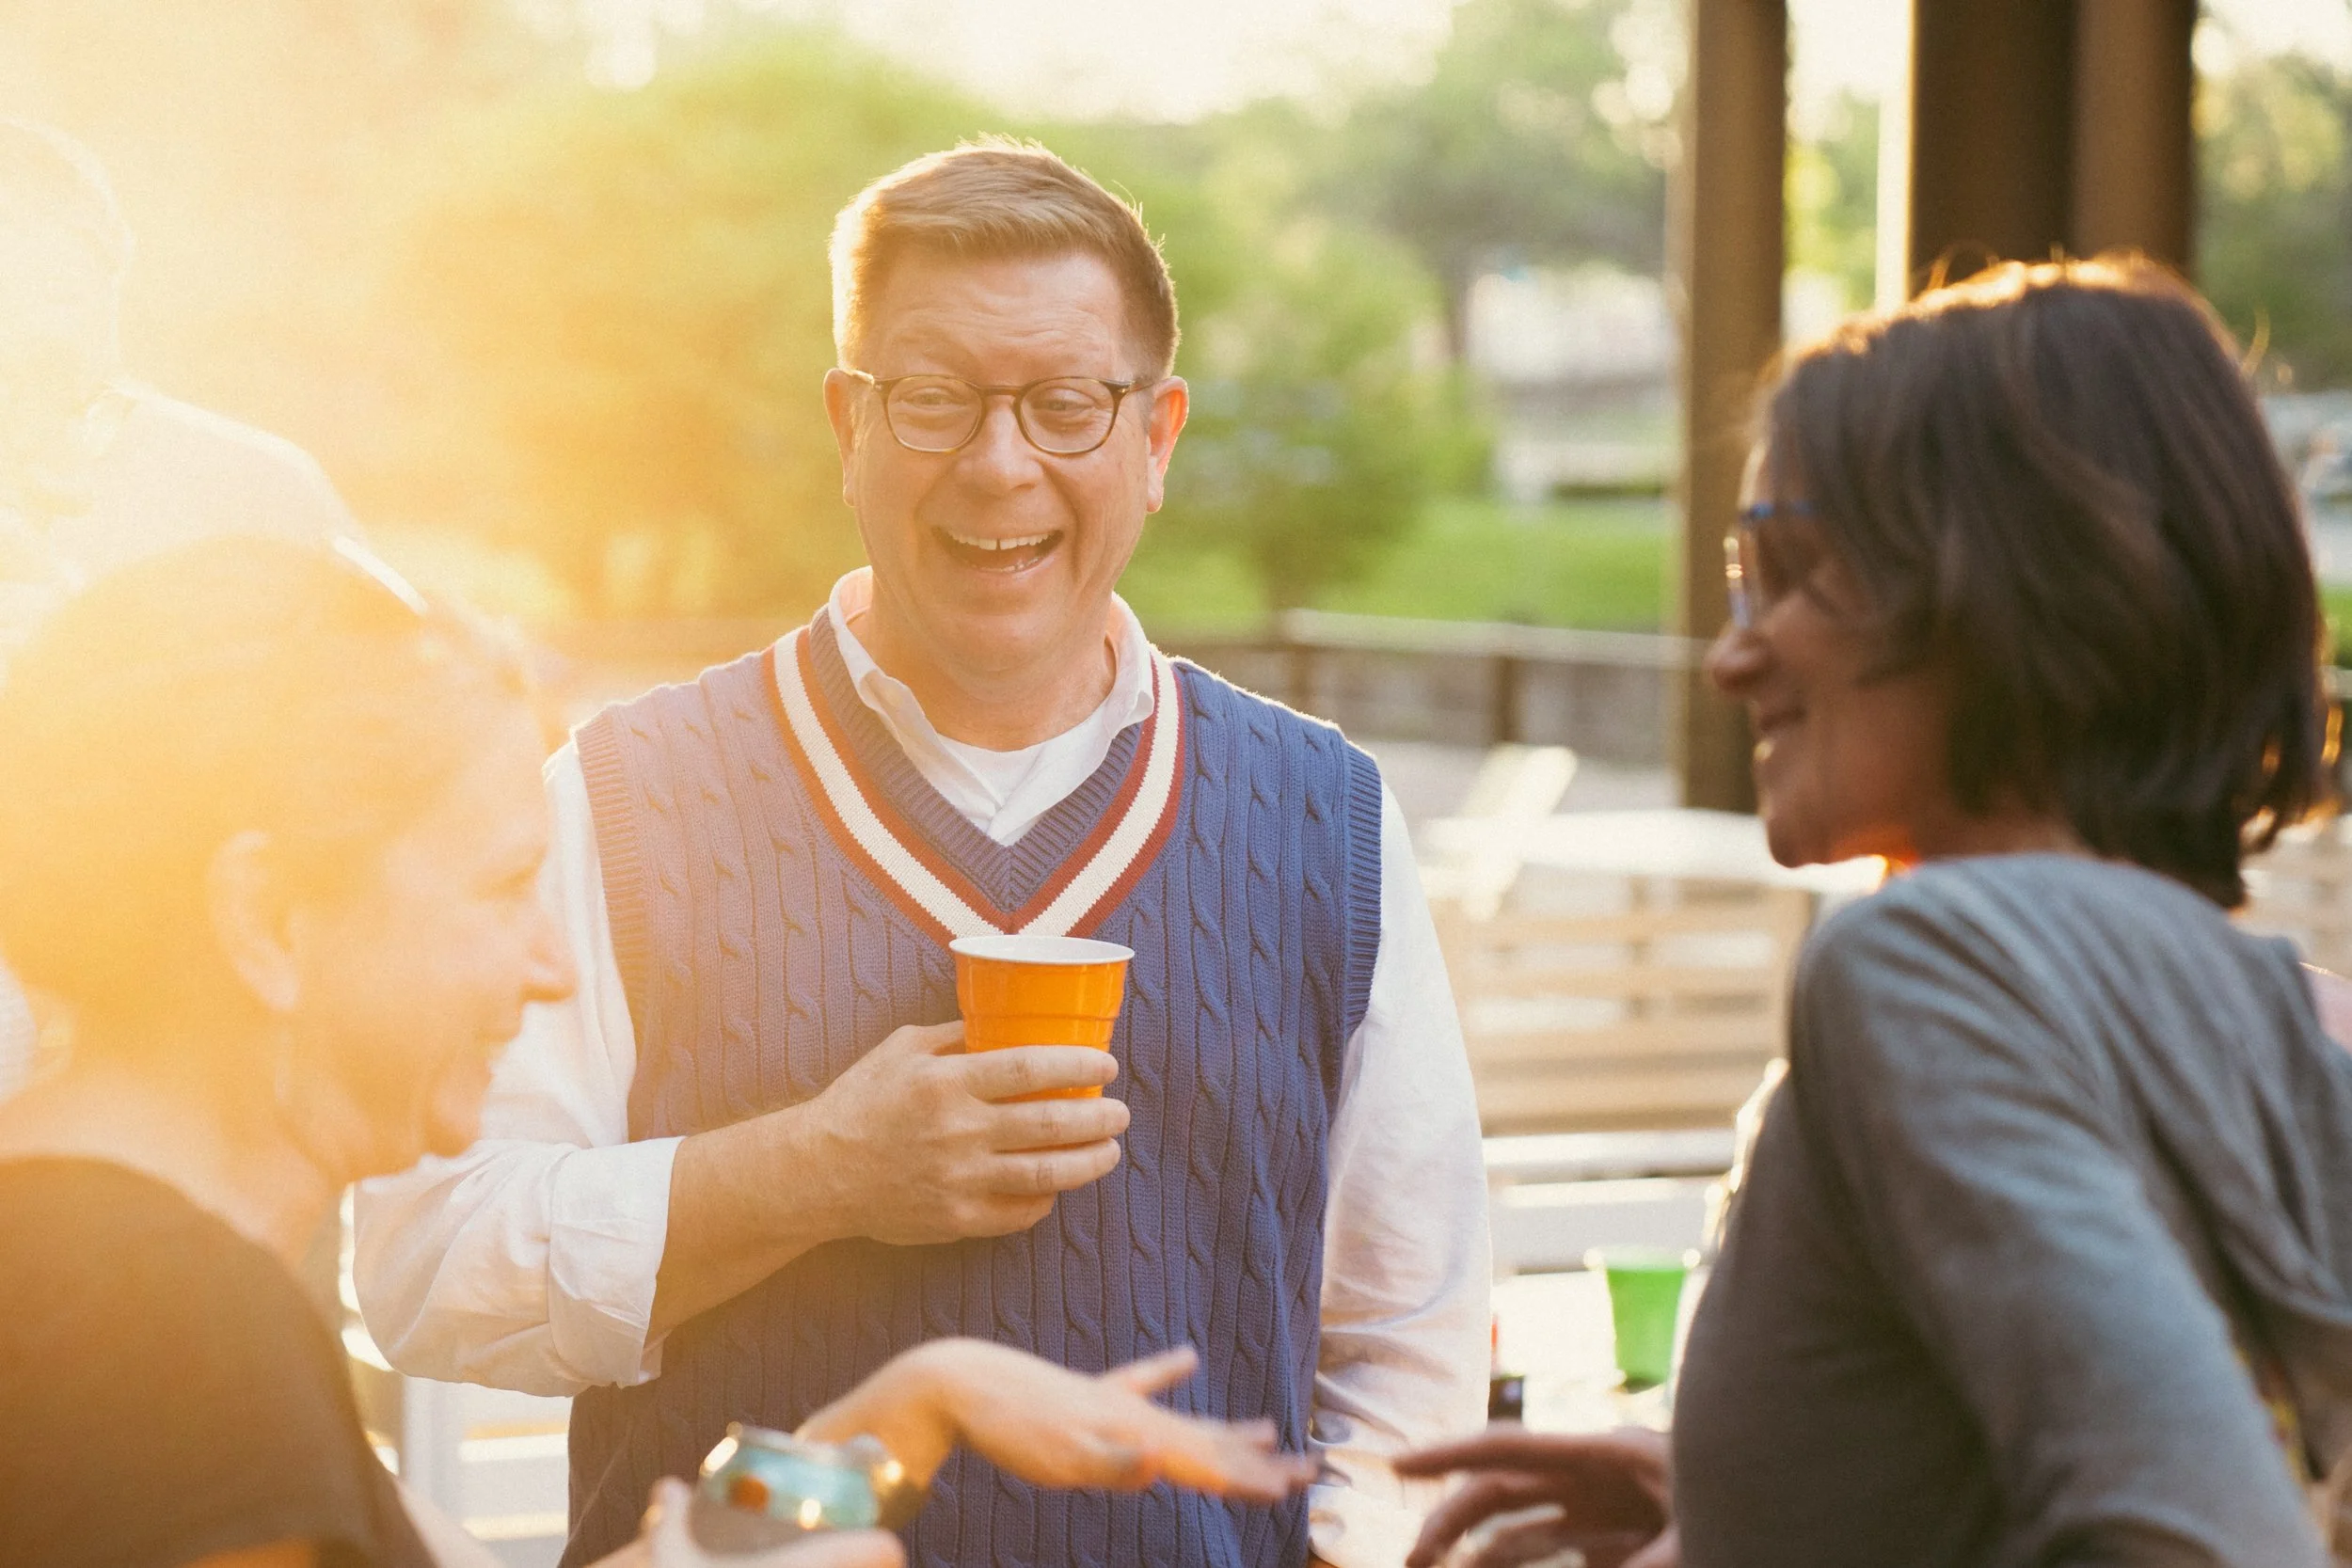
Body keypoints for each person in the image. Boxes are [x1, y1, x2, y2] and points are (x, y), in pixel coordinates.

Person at [355, 139, 1490, 1568]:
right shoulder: (620, 797)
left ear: (1158, 437)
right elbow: (425, 1260)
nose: (999, 461)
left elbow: (1407, 1326)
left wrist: (1351, 1551)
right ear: (850, 426)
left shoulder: (1327, 817)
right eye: (935, 399)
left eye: (1067, 403)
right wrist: (811, 1169)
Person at [0, 537, 1314, 1568]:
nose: (550, 964)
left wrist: (905, 1410)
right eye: (506, 883)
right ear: (269, 919)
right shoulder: (165, 1331)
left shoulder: (115, 1275)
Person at [1398, 257, 2352, 1568]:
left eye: (1792, 570)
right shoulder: (2276, 1009)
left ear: (2016, 584)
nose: (1733, 654)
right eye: (1744, 573)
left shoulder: (1924, 961)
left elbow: (2212, 1531)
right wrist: (1756, 1505)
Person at [0, 118, 363, 1101]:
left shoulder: (254, 485)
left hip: (187, 1039)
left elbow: (382, 732)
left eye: (60, 294)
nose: (34, 331)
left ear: (115, 279)